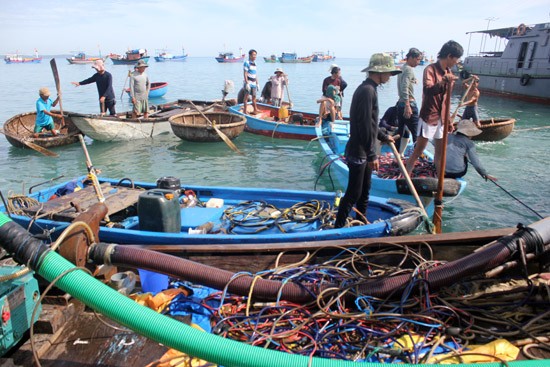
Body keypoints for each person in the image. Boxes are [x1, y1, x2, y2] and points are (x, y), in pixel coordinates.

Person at [334, 53, 400, 228]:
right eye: (389, 73)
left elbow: (371, 123)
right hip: (359, 151)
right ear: (379, 72)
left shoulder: (371, 89)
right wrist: (372, 155)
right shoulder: (367, 91)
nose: (390, 77)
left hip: (365, 150)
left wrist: (384, 136)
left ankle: (361, 224)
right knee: (353, 194)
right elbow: (363, 125)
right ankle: (338, 227)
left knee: (364, 192)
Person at [405, 40, 464, 177]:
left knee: (440, 152)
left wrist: (448, 120)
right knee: (419, 150)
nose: (456, 62)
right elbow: (428, 89)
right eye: (456, 58)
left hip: (442, 119)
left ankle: (439, 182)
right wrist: (443, 81)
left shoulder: (449, 72)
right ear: (449, 56)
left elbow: (446, 100)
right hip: (429, 116)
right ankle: (406, 176)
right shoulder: (430, 69)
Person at [395, 47, 422, 153]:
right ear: (411, 58)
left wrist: (414, 80)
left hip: (400, 103)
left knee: (400, 133)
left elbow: (404, 84)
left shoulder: (402, 68)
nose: (418, 62)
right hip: (408, 103)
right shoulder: (409, 69)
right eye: (418, 59)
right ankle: (417, 159)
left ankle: (397, 156)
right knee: (417, 133)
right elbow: (404, 86)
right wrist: (407, 105)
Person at [242, 49, 259, 114]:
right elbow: (245, 73)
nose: (255, 56)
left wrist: (257, 83)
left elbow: (255, 74)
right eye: (253, 55)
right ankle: (245, 110)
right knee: (246, 97)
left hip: (254, 83)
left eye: (255, 55)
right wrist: (247, 83)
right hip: (248, 83)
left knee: (254, 97)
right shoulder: (247, 63)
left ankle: (255, 110)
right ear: (250, 55)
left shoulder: (255, 64)